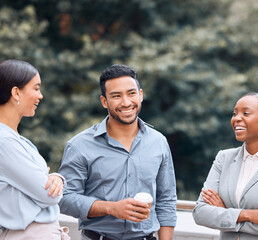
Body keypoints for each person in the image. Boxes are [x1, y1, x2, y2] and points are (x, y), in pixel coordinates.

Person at [58, 64, 177, 240]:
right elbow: (64, 199)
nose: (126, 102)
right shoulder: (79, 146)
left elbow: (166, 199)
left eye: (131, 93)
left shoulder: (158, 142)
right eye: (116, 96)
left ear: (141, 95)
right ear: (104, 101)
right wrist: (111, 208)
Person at [193, 88, 258, 240]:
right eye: (234, 114)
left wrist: (225, 213)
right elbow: (200, 213)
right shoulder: (223, 158)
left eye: (245, 113)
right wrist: (248, 215)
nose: (236, 119)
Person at [0, 60, 69, 240]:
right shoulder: (4, 141)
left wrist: (55, 177)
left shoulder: (19, 140)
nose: (41, 96)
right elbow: (49, 196)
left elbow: (42, 186)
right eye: (36, 88)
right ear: (16, 92)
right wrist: (45, 179)